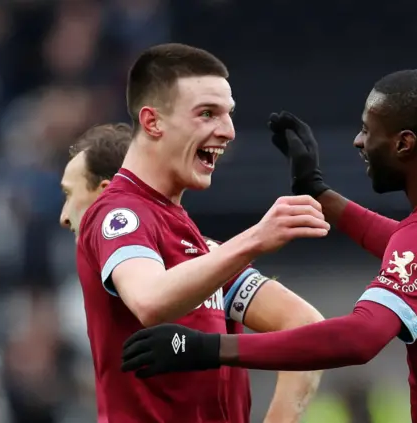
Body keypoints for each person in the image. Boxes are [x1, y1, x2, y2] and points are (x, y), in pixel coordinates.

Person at [121, 69, 417, 423]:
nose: (358, 142)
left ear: (404, 143)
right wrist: (319, 193)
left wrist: (204, 349)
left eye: (367, 130)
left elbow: (359, 338)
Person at [74, 44, 330, 423]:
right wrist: (256, 237)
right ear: (152, 122)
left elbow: (307, 329)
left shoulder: (196, 247)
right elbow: (149, 300)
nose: (227, 131)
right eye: (207, 114)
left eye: (229, 115)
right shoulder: (120, 213)